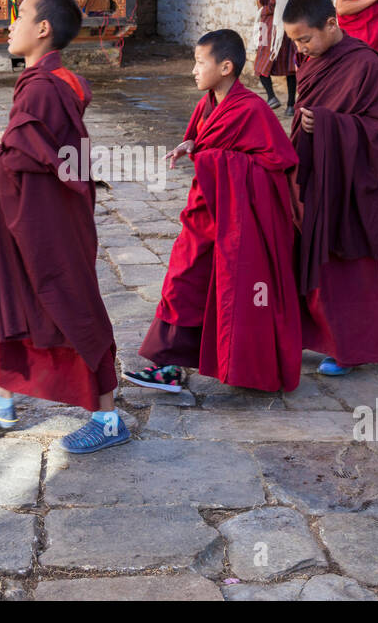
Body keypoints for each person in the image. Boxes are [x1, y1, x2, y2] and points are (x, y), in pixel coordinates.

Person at [0, 0, 123, 453]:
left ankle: (108, 418)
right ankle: (0, 398)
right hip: (34, 212)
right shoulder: (50, 80)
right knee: (14, 294)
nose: (10, 24)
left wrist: (0, 159)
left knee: (69, 300)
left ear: (43, 29)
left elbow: (31, 154)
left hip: (47, 219)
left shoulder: (47, 87)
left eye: (20, 16)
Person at [129, 29, 301, 394]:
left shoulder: (252, 109)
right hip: (206, 212)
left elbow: (278, 164)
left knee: (236, 290)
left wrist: (213, 160)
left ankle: (245, 367)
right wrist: (190, 145)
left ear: (225, 67)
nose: (193, 70)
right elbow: (206, 141)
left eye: (199, 62)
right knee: (184, 280)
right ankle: (169, 365)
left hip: (239, 220)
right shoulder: (207, 103)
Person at [284, 0, 378, 375]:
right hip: (317, 172)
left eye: (305, 39)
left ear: (332, 24)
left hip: (354, 180)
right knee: (309, 254)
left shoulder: (365, 63)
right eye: (294, 42)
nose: (301, 49)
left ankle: (350, 348)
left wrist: (329, 125)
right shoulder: (314, 61)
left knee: (346, 264)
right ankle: (312, 335)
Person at [252, 0, 330, 115]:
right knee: (290, 65)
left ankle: (271, 96)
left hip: (269, 23)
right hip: (291, 23)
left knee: (262, 60)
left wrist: (266, 9)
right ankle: (289, 106)